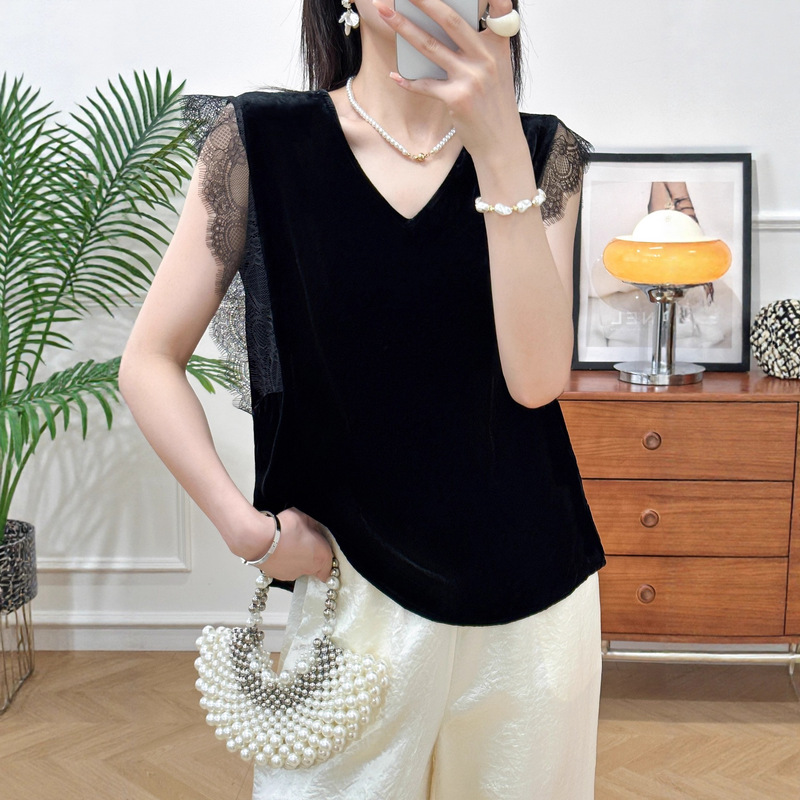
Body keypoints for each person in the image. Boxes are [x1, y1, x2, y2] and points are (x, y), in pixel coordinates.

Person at [120, 0, 606, 796]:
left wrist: (497, 151)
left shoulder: (543, 154)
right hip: (351, 592)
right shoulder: (261, 144)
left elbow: (536, 379)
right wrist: (246, 530)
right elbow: (147, 360)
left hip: (532, 600)